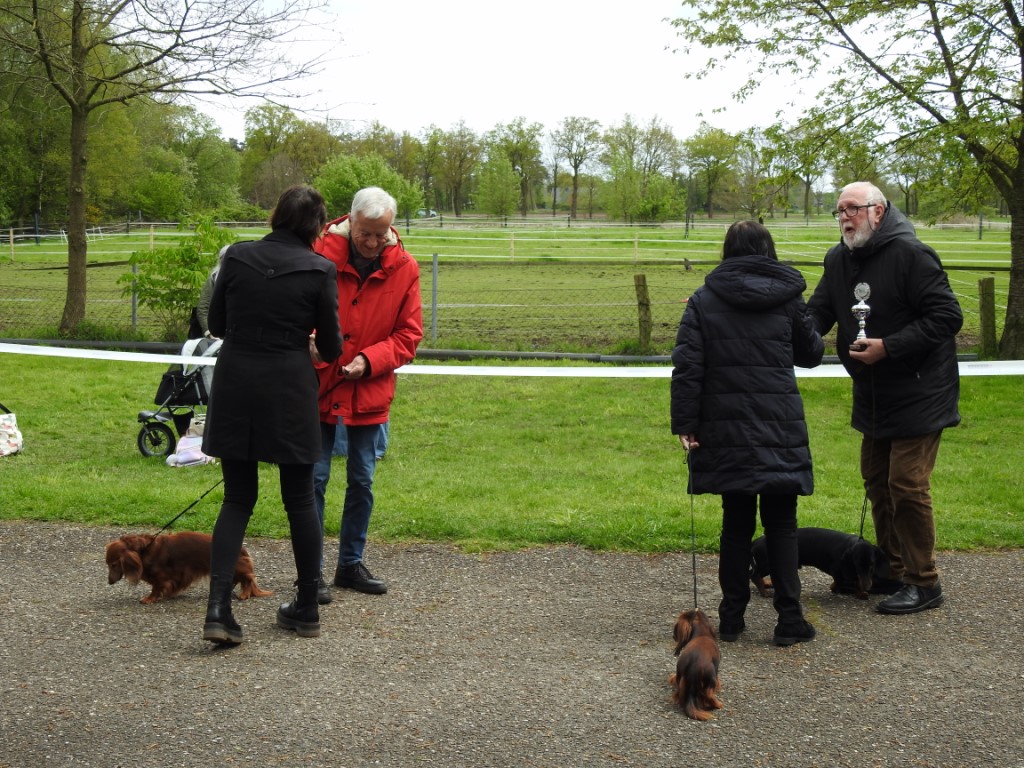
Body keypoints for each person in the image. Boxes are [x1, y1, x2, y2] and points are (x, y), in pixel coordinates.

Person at [807, 181, 963, 615]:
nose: (844, 218)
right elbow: (818, 311)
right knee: (877, 480)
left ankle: (924, 581)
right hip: (873, 392)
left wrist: (890, 347)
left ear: (878, 211)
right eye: (839, 211)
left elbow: (947, 316)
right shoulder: (838, 259)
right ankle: (893, 570)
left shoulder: (912, 255)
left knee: (906, 484)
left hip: (920, 389)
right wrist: (787, 334)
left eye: (852, 209)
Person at [671, 220, 824, 646]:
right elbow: (811, 354)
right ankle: (790, 619)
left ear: (728, 250)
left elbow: (688, 366)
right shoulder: (789, 297)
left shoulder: (704, 299)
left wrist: (685, 423)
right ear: (767, 248)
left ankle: (732, 618)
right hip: (779, 423)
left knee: (736, 523)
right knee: (783, 524)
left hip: (726, 424)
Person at [200, 185, 342, 645]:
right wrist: (308, 342)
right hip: (289, 387)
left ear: (275, 216)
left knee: (237, 497)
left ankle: (218, 609)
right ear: (317, 226)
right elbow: (333, 348)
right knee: (299, 499)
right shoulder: (321, 269)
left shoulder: (237, 256)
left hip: (237, 383)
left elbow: (216, 324)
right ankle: (306, 606)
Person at [311, 186, 423, 602]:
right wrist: (310, 341)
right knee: (314, 478)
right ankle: (311, 571)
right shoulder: (317, 254)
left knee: (362, 479)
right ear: (350, 220)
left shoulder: (405, 267)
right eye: (365, 233)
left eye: (381, 234)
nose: (373, 242)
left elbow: (409, 335)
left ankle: (350, 564)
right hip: (318, 384)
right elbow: (296, 310)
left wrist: (369, 360)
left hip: (370, 388)